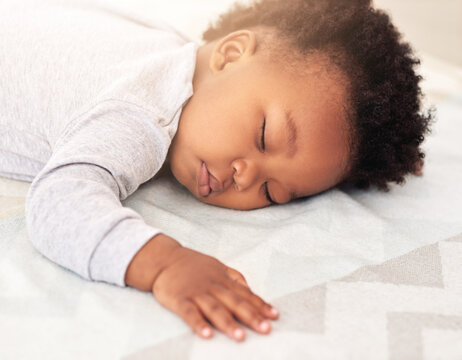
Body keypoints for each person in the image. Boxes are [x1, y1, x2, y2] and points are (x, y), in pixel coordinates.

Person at [0, 0, 433, 342]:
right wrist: (164, 263)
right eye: (264, 136)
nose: (246, 177)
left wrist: (378, 158)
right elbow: (58, 202)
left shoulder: (164, 46)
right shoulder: (141, 116)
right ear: (230, 52)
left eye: (272, 193)